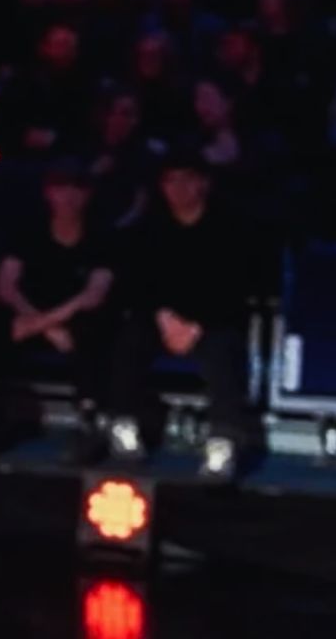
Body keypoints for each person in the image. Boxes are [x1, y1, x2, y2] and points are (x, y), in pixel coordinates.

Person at [106, 149, 255, 480]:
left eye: (187, 179)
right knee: (129, 337)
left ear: (203, 183)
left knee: (223, 350)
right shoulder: (149, 228)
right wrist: (163, 318)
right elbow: (137, 285)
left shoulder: (230, 227)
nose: (179, 188)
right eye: (171, 181)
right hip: (162, 320)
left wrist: (196, 327)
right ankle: (123, 425)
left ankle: (223, 442)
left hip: (211, 322)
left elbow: (236, 287)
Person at [0, 159, 118, 458]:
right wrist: (42, 325)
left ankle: (90, 421)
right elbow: (5, 286)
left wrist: (46, 324)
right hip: (34, 315)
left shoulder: (102, 234)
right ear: (49, 193)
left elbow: (94, 294)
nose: (69, 197)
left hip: (73, 320)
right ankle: (2, 414)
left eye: (76, 189)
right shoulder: (28, 230)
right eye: (61, 188)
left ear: (87, 195)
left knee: (96, 326)